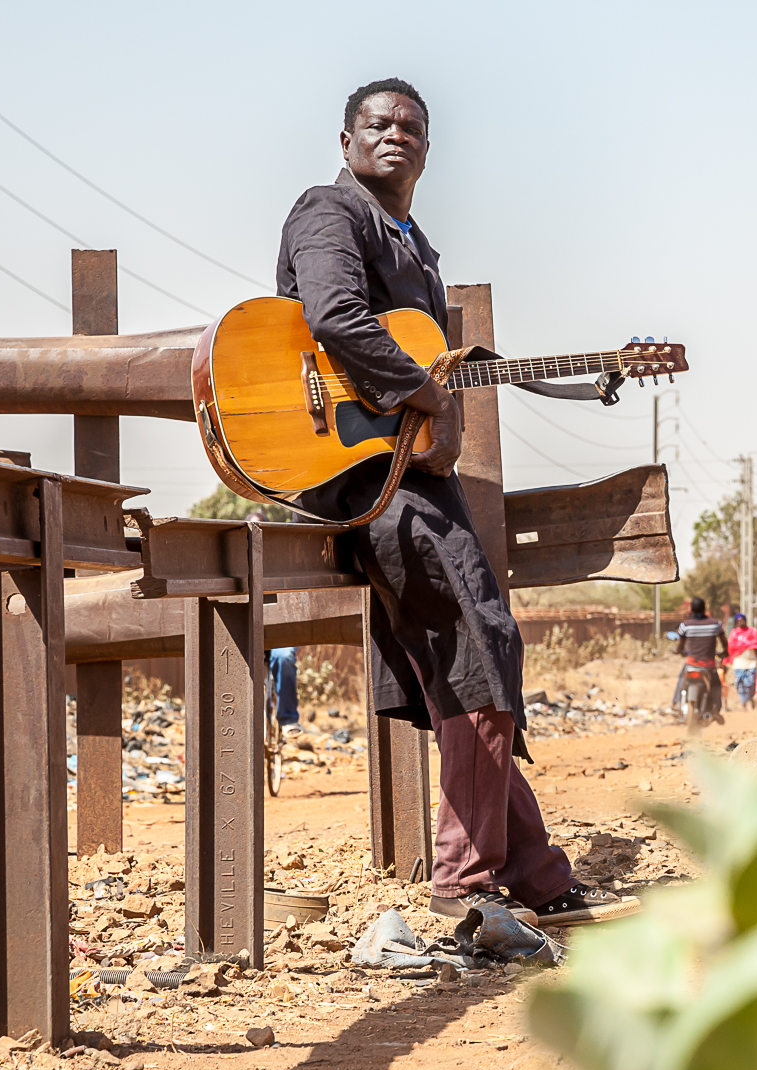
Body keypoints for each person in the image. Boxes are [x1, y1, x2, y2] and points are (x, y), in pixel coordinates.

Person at [278, 78, 635, 928]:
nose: (394, 135)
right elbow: (333, 316)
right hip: (365, 471)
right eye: (377, 124)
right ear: (346, 141)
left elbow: (424, 359)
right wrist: (428, 396)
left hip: (406, 473)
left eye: (411, 127)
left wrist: (448, 385)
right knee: (479, 648)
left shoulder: (418, 246)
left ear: (428, 152)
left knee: (466, 662)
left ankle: (540, 878)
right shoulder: (330, 212)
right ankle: (466, 888)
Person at [673, 597, 727, 723]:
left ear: (691, 609)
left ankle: (676, 703)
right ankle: (715, 709)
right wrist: (725, 653)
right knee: (716, 685)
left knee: (682, 678)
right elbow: (725, 643)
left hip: (691, 663)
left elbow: (680, 646)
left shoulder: (685, 625)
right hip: (708, 665)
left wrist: (677, 651)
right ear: (704, 609)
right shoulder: (715, 624)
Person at [727, 612, 757, 710]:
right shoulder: (734, 633)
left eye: (742, 620)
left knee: (750, 684)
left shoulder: (752, 632)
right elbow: (730, 647)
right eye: (738, 621)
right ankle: (743, 703)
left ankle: (750, 697)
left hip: (751, 663)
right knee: (740, 684)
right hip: (738, 663)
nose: (740, 622)